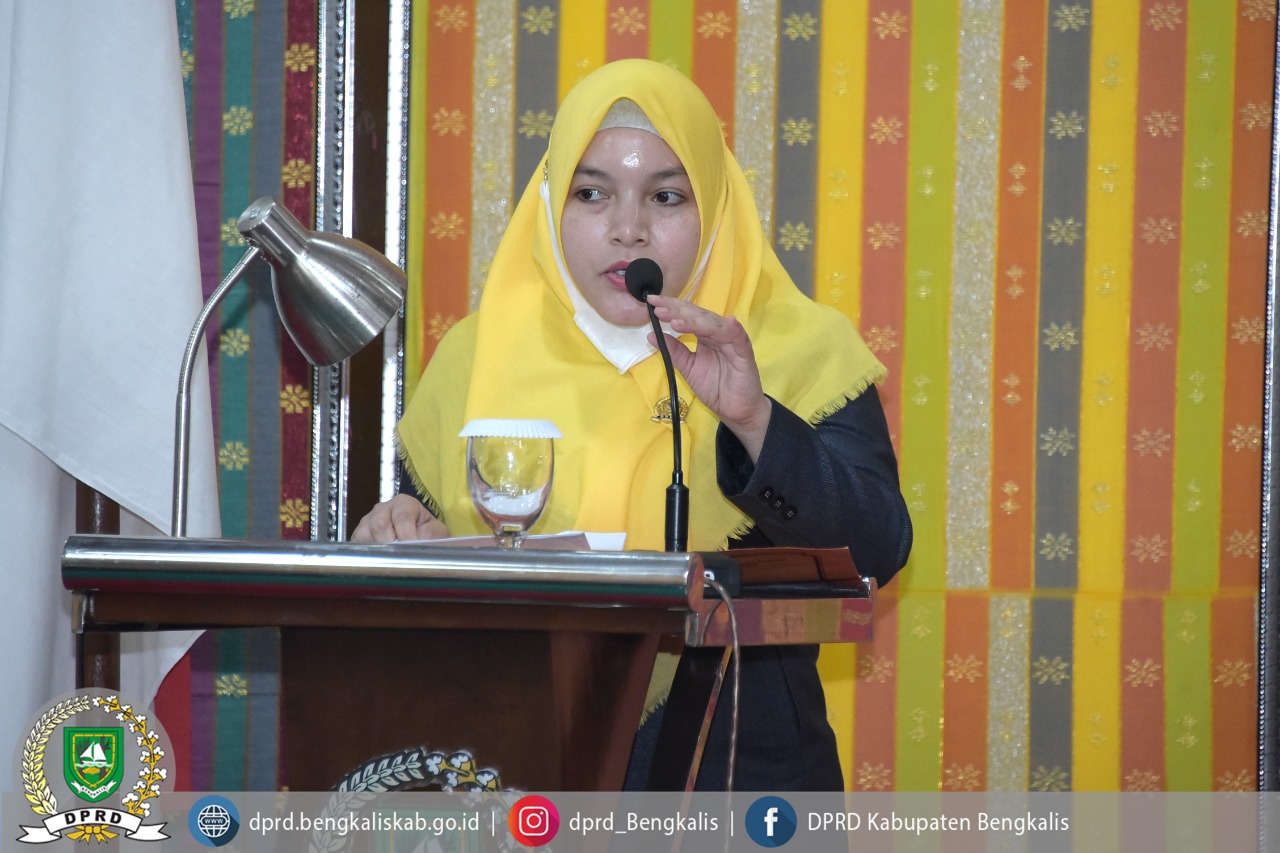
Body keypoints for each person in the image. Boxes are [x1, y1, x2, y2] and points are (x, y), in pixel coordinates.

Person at [352, 58, 911, 790]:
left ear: (714, 208)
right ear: (551, 203)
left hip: (738, 781)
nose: (628, 231)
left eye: (666, 196)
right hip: (520, 776)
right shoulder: (477, 359)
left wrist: (754, 418)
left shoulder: (797, 350)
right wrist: (397, 534)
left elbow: (878, 549)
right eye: (591, 194)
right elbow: (425, 543)